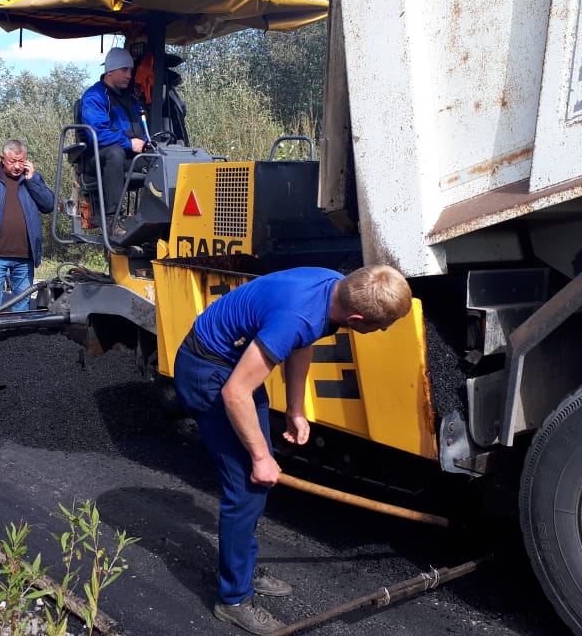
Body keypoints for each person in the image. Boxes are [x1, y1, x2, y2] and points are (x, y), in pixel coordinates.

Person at [173, 265, 412, 635]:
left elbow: (303, 342)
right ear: (356, 319)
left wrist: (296, 409)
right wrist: (260, 458)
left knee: (257, 481)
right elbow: (235, 393)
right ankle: (233, 599)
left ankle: (243, 568)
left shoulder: (334, 287)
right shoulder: (297, 315)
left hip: (232, 363)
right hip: (210, 372)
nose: (380, 332)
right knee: (247, 487)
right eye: (379, 327)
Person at [0, 139, 56, 313]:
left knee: (22, 305)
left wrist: (33, 180)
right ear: (2, 159)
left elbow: (48, 205)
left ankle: (17, 332)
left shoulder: (31, 179)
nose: (17, 166)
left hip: (25, 255)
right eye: (13, 161)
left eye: (22, 161)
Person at [80, 47, 148, 224]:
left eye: (131, 70)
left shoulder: (131, 98)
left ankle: (155, 218)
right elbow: (98, 135)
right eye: (124, 70)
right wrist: (129, 144)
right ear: (110, 71)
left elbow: (142, 129)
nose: (129, 75)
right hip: (98, 159)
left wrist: (148, 145)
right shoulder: (95, 97)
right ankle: (112, 218)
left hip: (129, 157)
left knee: (160, 157)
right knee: (115, 153)